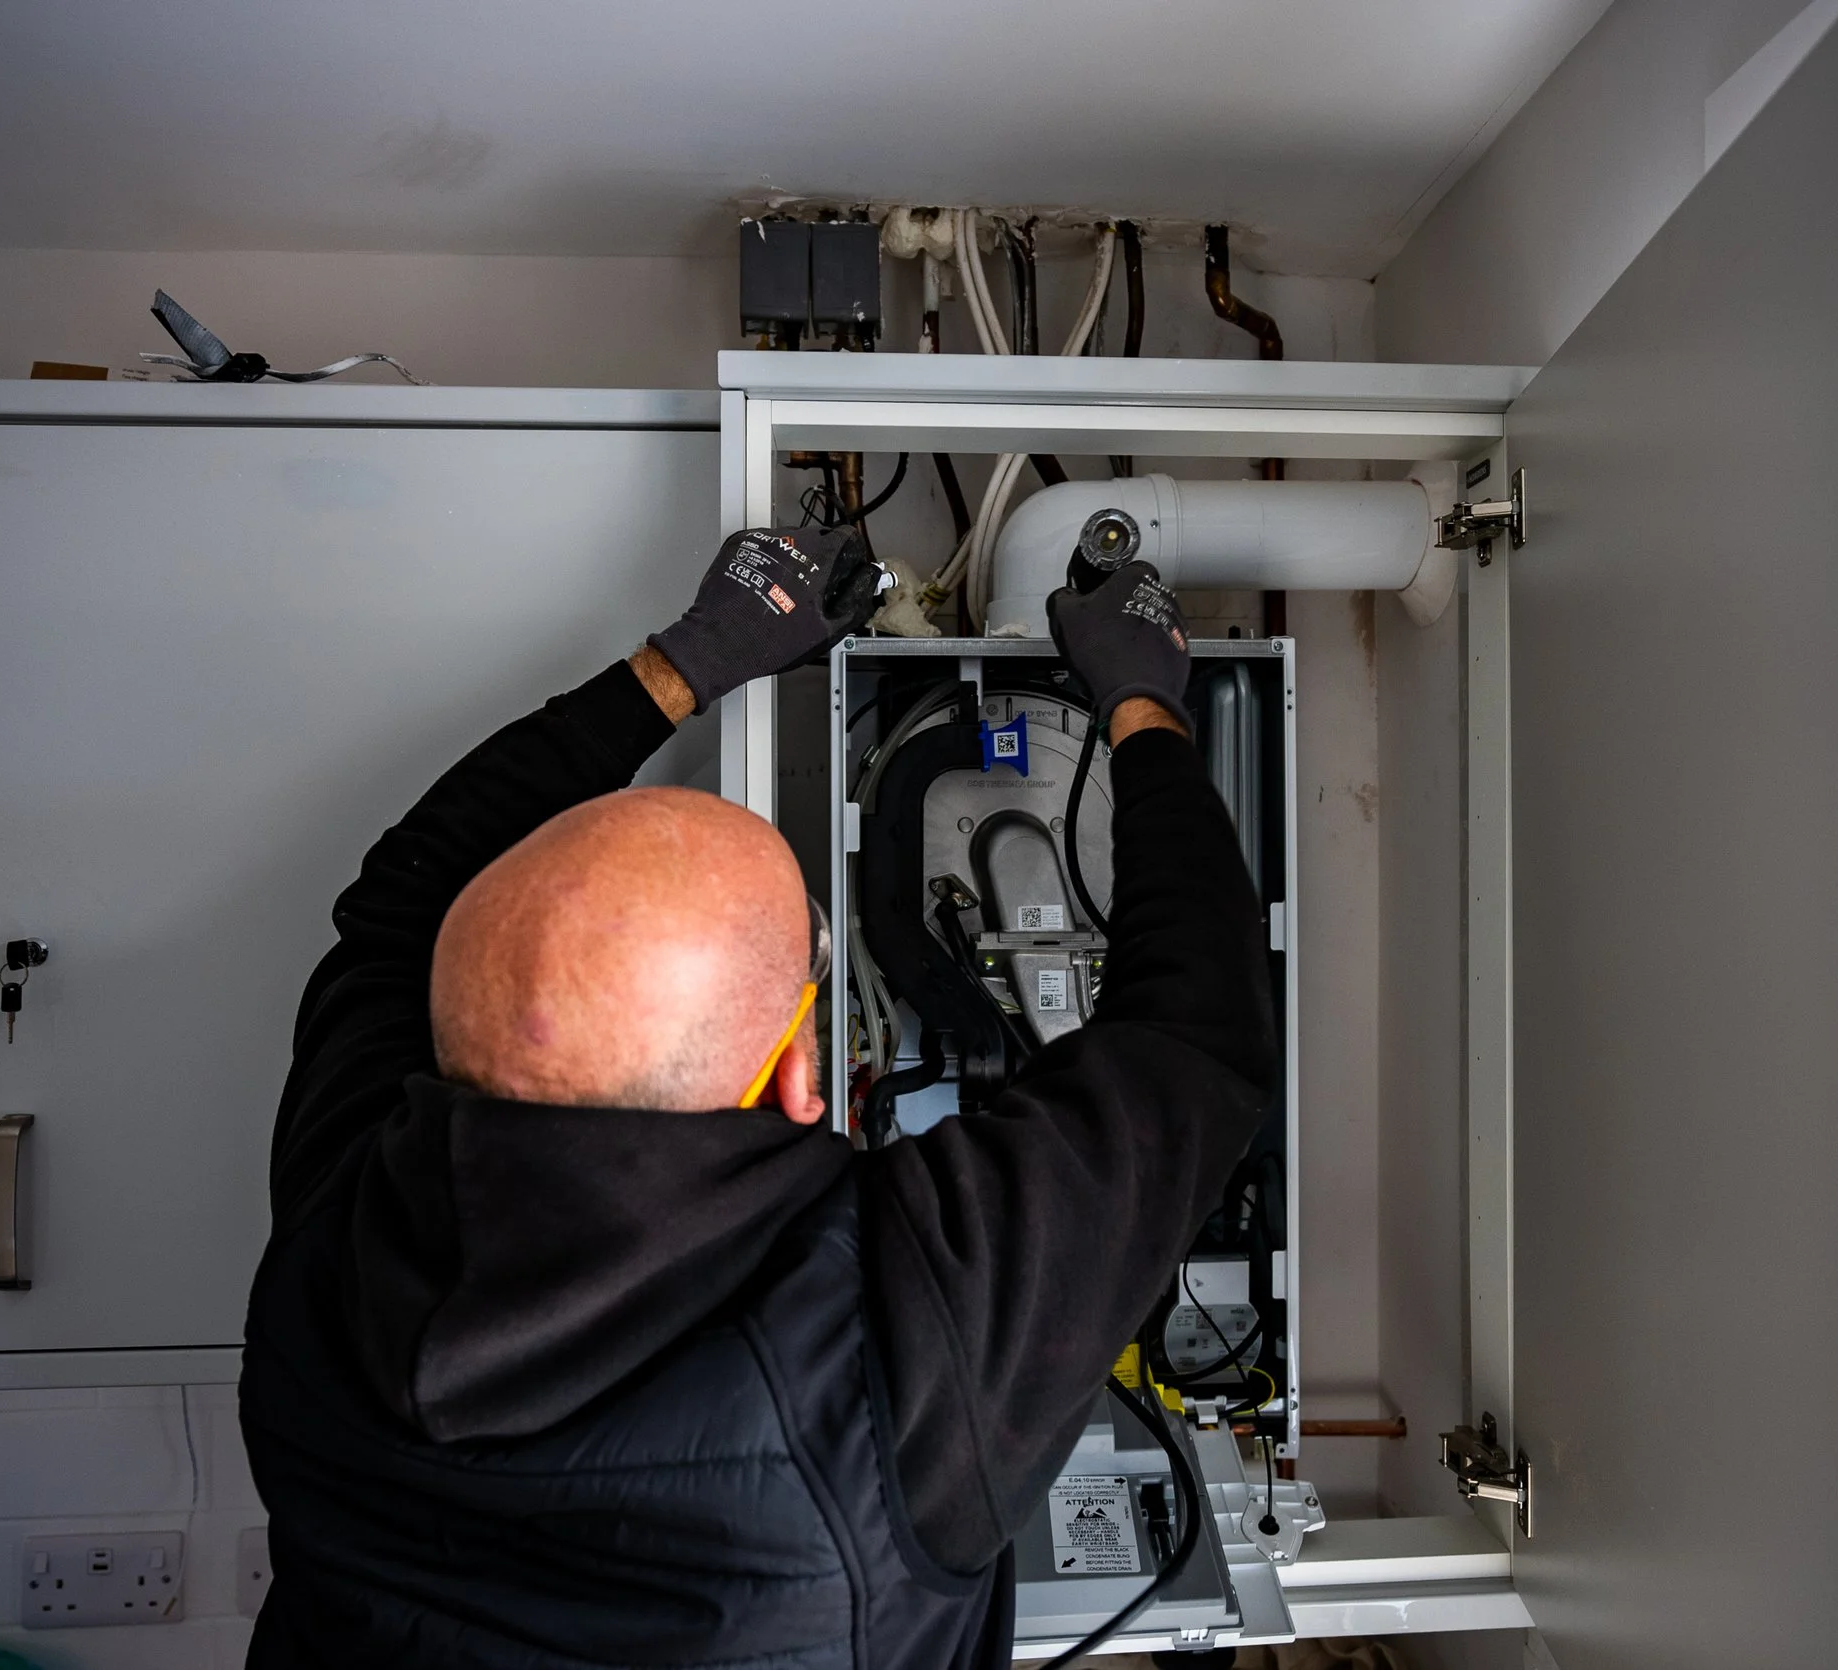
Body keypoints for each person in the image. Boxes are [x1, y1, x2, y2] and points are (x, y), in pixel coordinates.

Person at [238, 526, 1277, 1669]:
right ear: (799, 1074)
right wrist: (1141, 703)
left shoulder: (341, 1216)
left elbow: (400, 904)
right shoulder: (893, 1342)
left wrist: (684, 662)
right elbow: (1194, 1041)